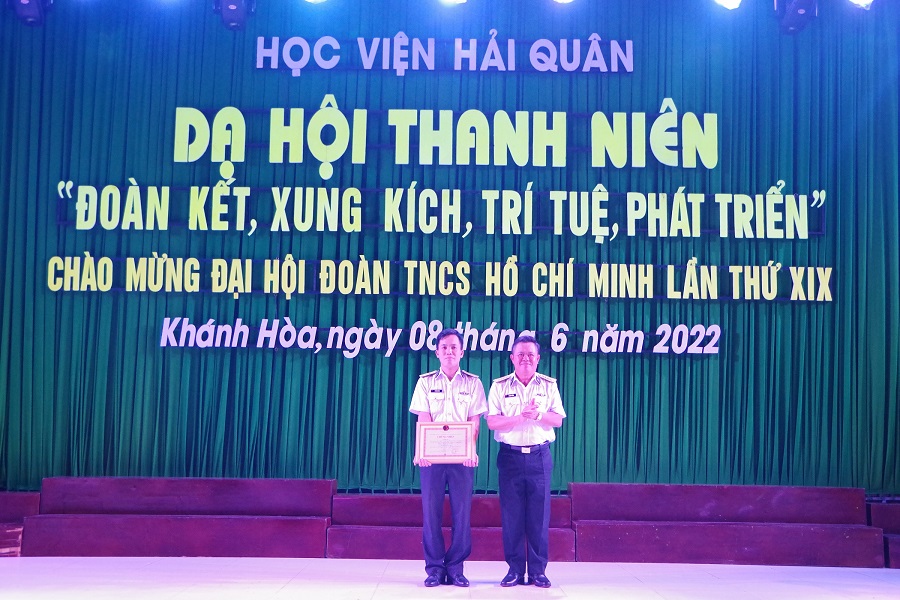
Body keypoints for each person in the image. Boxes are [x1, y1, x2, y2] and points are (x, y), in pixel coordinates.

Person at [410, 328, 487, 588]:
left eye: (454, 347)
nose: (449, 351)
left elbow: (474, 421)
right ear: (437, 352)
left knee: (461, 515)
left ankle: (455, 568)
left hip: (461, 459)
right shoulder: (425, 382)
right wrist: (422, 451)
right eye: (444, 347)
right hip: (432, 458)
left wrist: (471, 450)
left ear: (462, 352)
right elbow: (423, 418)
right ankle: (434, 569)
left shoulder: (473, 383)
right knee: (430, 514)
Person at [486, 335, 566, 589]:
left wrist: (538, 414)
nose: (525, 359)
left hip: (539, 457)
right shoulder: (499, 386)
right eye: (520, 354)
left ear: (538, 358)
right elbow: (492, 422)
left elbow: (558, 420)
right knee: (511, 516)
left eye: (530, 354)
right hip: (509, 457)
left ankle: (538, 572)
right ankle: (514, 570)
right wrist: (519, 418)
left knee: (539, 517)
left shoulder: (549, 385)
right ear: (512, 358)